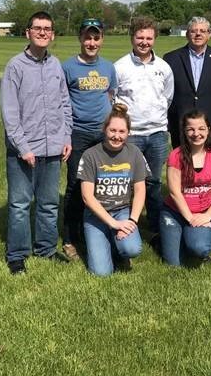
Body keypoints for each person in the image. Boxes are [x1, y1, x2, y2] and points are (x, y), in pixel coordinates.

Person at [0, 11, 73, 275]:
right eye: (37, 28)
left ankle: (46, 248)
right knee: (20, 204)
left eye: (47, 29)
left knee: (49, 202)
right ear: (28, 32)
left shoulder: (56, 66)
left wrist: (66, 137)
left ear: (52, 34)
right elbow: (9, 113)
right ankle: (17, 254)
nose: (43, 33)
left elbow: (65, 104)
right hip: (24, 151)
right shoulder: (15, 67)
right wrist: (23, 147)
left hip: (53, 147)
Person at [61, 18, 117, 260]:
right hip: (78, 134)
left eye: (96, 38)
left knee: (102, 185)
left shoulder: (108, 67)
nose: (91, 42)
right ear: (80, 39)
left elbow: (111, 94)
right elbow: (61, 102)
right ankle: (70, 237)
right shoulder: (68, 67)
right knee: (75, 185)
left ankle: (95, 230)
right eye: (87, 37)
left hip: (103, 135)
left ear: (102, 40)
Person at [114, 17, 174, 241]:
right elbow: (114, 99)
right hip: (132, 135)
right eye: (140, 37)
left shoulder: (163, 68)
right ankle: (128, 224)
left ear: (154, 39)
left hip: (157, 134)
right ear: (132, 38)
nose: (144, 42)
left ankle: (156, 226)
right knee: (128, 182)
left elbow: (167, 98)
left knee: (154, 182)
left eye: (149, 38)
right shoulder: (120, 67)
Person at [78, 104, 148, 276]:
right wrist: (113, 224)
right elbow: (87, 197)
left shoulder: (135, 153)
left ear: (128, 133)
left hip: (122, 211)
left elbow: (140, 190)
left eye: (122, 132)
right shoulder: (90, 155)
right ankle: (105, 239)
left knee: (132, 248)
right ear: (105, 130)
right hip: (96, 215)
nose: (117, 136)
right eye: (112, 130)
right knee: (101, 273)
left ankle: (119, 249)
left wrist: (132, 221)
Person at [159, 110, 211, 266]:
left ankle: (196, 237)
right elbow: (174, 192)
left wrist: (207, 216)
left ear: (208, 130)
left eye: (201, 128)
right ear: (184, 132)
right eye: (190, 129)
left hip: (203, 212)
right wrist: (191, 219)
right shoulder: (176, 155)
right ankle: (166, 235)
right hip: (175, 212)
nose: (196, 133)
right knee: (173, 263)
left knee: (199, 248)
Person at [163, 16, 211, 149]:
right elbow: (164, 95)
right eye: (194, 31)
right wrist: (167, 124)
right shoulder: (171, 58)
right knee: (182, 164)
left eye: (203, 31)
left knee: (208, 166)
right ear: (187, 34)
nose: (198, 34)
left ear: (209, 34)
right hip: (181, 125)